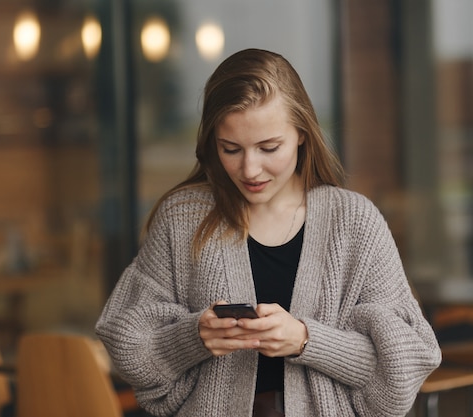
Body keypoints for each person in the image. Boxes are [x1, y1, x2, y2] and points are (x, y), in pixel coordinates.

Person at [95, 48, 441, 417]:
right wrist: (194, 338)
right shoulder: (183, 219)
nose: (249, 169)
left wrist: (306, 340)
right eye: (231, 149)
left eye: (269, 147)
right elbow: (125, 342)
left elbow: (406, 363)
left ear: (303, 135)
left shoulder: (354, 221)